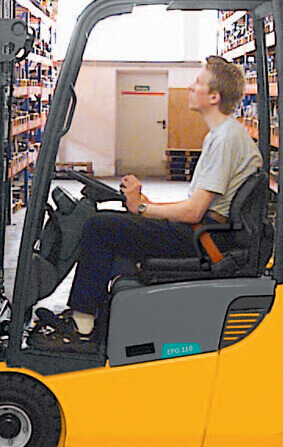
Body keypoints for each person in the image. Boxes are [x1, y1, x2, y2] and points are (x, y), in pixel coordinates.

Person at [34, 55, 264, 352]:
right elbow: (198, 204)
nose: (190, 87)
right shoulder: (223, 135)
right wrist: (145, 203)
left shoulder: (224, 139)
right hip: (206, 231)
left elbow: (194, 211)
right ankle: (93, 318)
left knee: (99, 225)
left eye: (197, 82)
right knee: (112, 230)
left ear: (214, 97)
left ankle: (82, 326)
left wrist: (142, 210)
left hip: (204, 238)